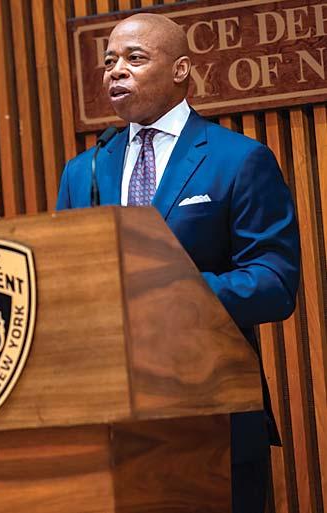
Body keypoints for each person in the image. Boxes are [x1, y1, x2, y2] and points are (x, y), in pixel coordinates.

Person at [56, 13, 300, 513]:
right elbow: (65, 283)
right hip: (109, 425)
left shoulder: (238, 159)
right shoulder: (85, 170)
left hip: (213, 415)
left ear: (181, 69)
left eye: (135, 58)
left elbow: (273, 282)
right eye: (109, 61)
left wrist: (165, 293)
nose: (116, 70)